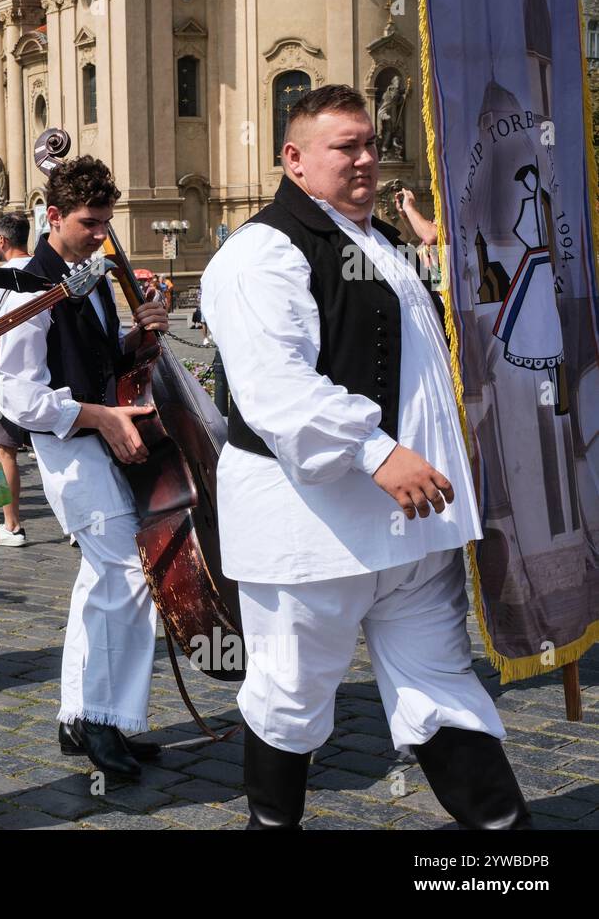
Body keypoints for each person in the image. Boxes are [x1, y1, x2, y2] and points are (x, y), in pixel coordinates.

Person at [200, 84, 530, 830]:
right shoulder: (260, 253)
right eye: (344, 146)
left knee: (443, 688)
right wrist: (377, 452)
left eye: (370, 144)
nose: (365, 159)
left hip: (415, 531)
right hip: (311, 532)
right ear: (293, 159)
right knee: (289, 695)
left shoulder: (378, 243)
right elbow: (273, 386)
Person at [0, 155, 169, 781]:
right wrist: (98, 416)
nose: (102, 235)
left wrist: (137, 337)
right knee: (124, 575)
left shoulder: (85, 276)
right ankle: (99, 718)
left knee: (102, 580)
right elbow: (15, 394)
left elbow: (95, 360)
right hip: (71, 450)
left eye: (105, 223)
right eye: (91, 224)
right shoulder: (31, 285)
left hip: (99, 439)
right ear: (53, 215)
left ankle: (85, 716)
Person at [0, 212, 33, 547]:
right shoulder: (48, 268)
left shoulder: (2, 277)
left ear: (1, 241)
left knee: (1, 452)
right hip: (47, 378)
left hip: (8, 380)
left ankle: (12, 524)